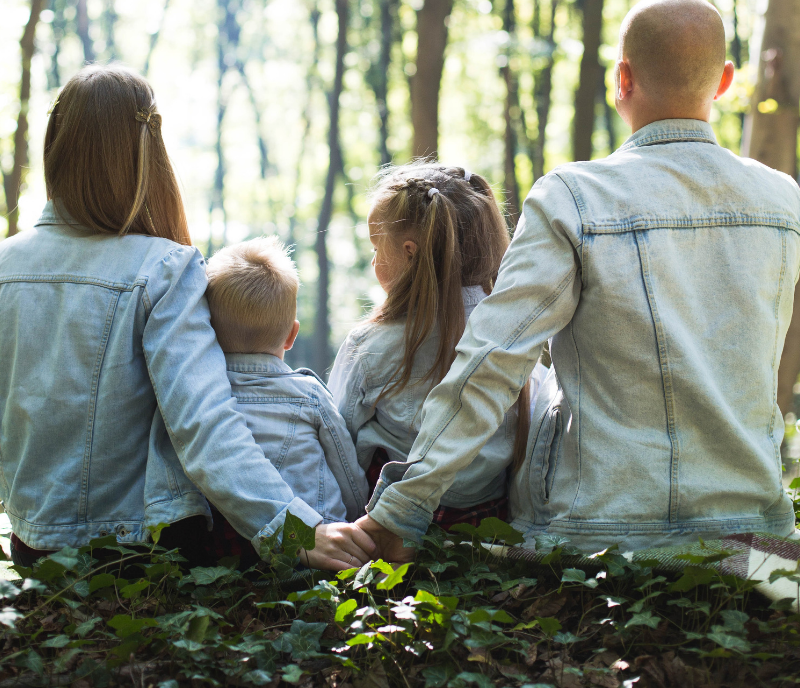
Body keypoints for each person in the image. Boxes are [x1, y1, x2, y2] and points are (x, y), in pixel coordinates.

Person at [357, 0, 800, 559]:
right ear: (725, 82)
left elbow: (493, 360)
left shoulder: (574, 198)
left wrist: (402, 509)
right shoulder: (782, 200)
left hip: (597, 533)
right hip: (755, 535)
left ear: (622, 79)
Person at [0, 64, 374, 571]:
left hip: (31, 547)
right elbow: (204, 425)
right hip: (132, 552)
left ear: (55, 145)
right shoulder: (163, 268)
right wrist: (296, 531)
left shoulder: (5, 263)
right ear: (147, 151)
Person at [329, 163, 546, 529]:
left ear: (409, 252)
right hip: (486, 525)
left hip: (386, 526)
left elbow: (337, 439)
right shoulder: (516, 339)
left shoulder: (370, 345)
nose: (373, 260)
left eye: (376, 246)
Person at [203, 237, 368, 566]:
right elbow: (347, 472)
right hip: (317, 546)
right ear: (292, 335)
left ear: (207, 330)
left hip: (231, 551)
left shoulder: (202, 397)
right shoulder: (308, 394)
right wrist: (356, 518)